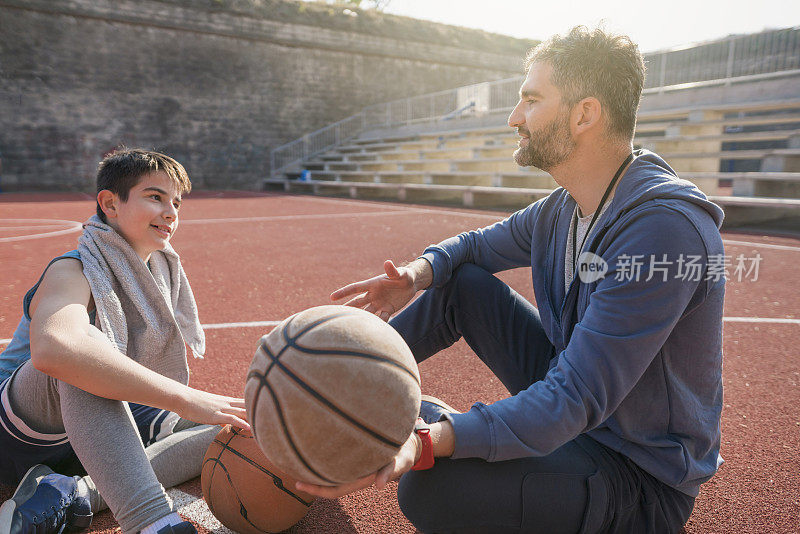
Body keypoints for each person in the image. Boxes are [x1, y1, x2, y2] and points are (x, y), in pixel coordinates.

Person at [298, 26, 725, 533]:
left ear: (584, 113)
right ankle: (332, 387)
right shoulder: (563, 209)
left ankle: (408, 421)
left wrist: (430, 441)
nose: (514, 117)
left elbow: (573, 399)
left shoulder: (664, 231)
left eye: (530, 99)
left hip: (637, 475)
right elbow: (474, 247)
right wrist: (416, 274)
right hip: (579, 412)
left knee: (433, 487)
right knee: (459, 282)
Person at [0, 149, 250, 534]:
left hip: (94, 424)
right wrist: (187, 398)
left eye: (176, 202)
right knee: (84, 355)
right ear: (110, 203)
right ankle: (153, 522)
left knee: (235, 425)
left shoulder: (157, 273)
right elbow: (54, 351)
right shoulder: (73, 269)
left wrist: (204, 408)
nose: (171, 212)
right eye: (155, 197)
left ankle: (77, 492)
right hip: (21, 426)